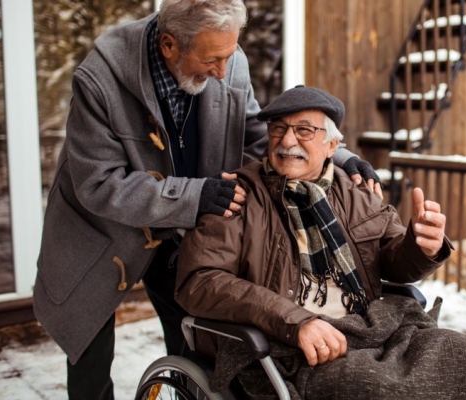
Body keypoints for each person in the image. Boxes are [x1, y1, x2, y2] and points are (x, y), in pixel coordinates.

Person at [32, 1, 380, 399]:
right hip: (100, 229)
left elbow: (255, 133)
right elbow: (99, 183)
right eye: (211, 60)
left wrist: (339, 155)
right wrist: (195, 194)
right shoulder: (100, 78)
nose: (221, 71)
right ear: (168, 45)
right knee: (89, 356)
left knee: (192, 340)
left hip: (179, 226)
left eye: (228, 57)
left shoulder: (227, 56)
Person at [175, 85, 466, 399]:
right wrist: (294, 321)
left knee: (459, 351)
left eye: (304, 130)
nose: (287, 141)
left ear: (332, 145)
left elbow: (392, 257)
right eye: (278, 129)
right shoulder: (238, 195)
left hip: (367, 327)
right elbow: (200, 280)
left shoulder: (357, 192)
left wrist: (422, 246)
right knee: (381, 386)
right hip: (285, 346)